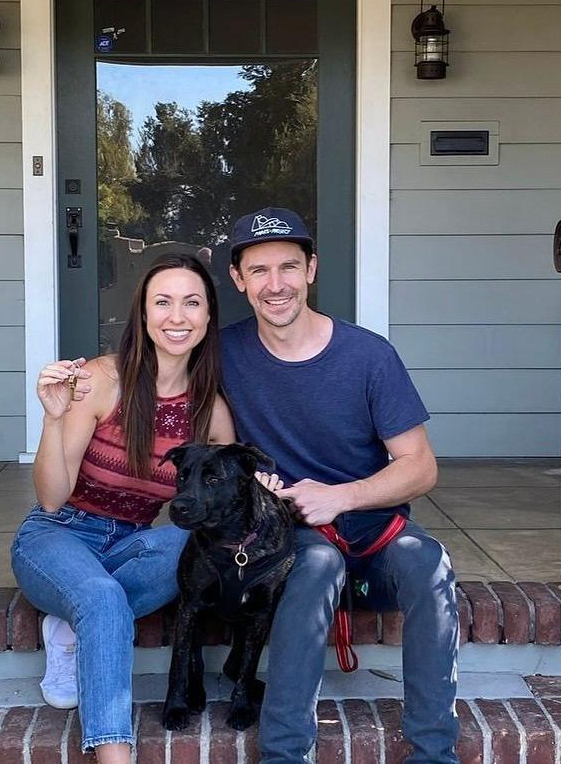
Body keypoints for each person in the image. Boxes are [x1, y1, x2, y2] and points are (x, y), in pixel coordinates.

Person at [220, 207, 459, 763]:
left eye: (288, 267)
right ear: (238, 280)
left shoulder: (368, 355)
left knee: (429, 564)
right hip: (296, 535)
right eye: (258, 271)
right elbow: (192, 407)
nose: (275, 284)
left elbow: (420, 466)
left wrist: (341, 496)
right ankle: (284, 753)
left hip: (377, 529)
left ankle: (434, 752)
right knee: (316, 567)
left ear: (312, 270)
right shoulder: (224, 352)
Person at [10, 253, 235, 762]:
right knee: (103, 598)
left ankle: (72, 624)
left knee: (189, 543)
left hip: (131, 540)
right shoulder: (101, 380)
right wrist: (52, 420)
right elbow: (50, 496)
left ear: (207, 317)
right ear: (144, 314)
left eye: (191, 303)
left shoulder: (211, 412)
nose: (176, 316)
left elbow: (222, 508)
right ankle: (115, 754)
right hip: (58, 533)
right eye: (163, 302)